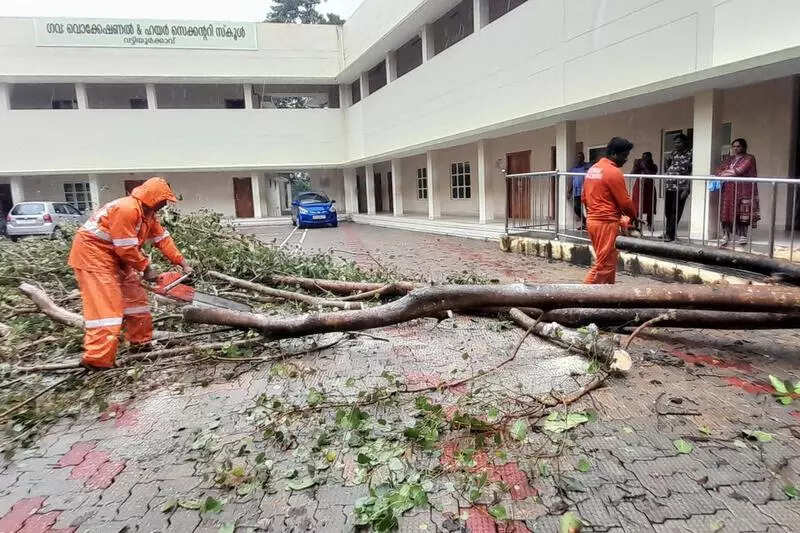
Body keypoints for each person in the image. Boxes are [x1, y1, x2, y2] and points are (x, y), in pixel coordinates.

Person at [68, 177, 192, 369]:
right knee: (107, 308)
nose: (165, 204)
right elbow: (125, 247)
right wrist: (146, 268)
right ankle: (97, 359)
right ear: (153, 198)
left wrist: (182, 263)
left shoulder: (148, 216)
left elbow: (162, 239)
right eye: (163, 200)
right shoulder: (126, 209)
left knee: (136, 301)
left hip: (116, 257)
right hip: (93, 256)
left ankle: (140, 344)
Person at [582, 137, 637, 284]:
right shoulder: (613, 172)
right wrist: (633, 216)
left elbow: (584, 198)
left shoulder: (593, 170)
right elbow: (625, 202)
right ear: (614, 154)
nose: (626, 160)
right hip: (606, 223)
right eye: (624, 156)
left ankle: (607, 296)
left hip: (593, 221)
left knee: (608, 261)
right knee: (604, 265)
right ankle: (578, 297)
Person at [716, 138, 758, 246]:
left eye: (738, 146)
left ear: (744, 147)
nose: (736, 148)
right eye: (734, 146)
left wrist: (725, 173)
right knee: (726, 212)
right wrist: (725, 172)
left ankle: (743, 236)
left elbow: (739, 170)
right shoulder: (729, 159)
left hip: (744, 189)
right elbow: (719, 170)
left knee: (742, 213)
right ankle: (726, 236)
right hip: (729, 189)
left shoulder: (749, 158)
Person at [663, 133, 693, 241]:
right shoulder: (673, 153)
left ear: (685, 143)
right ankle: (670, 233)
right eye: (675, 142)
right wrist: (666, 163)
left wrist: (687, 189)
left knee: (675, 211)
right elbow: (668, 167)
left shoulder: (690, 155)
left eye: (679, 142)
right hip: (669, 186)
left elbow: (691, 172)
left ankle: (669, 234)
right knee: (667, 211)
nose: (676, 144)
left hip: (681, 187)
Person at [631, 152, 658, 230]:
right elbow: (632, 174)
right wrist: (635, 166)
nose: (644, 159)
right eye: (643, 157)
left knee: (650, 205)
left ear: (650, 158)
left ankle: (650, 223)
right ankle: (636, 225)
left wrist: (644, 166)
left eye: (646, 157)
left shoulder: (654, 166)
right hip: (639, 187)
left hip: (649, 188)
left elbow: (651, 174)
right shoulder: (639, 165)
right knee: (637, 206)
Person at [568, 152, 589, 229]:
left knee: (588, 209)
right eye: (578, 157)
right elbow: (573, 181)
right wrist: (570, 191)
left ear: (583, 157)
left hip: (586, 191)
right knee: (576, 208)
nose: (579, 158)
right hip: (577, 191)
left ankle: (589, 225)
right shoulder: (574, 168)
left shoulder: (587, 166)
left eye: (581, 157)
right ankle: (585, 223)